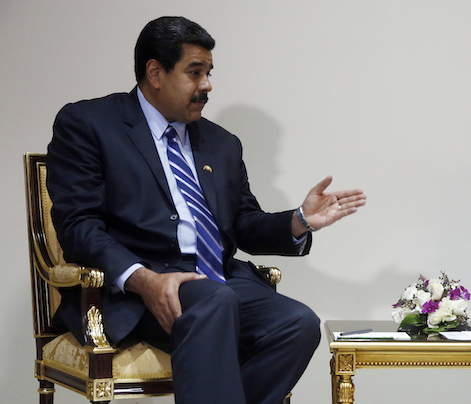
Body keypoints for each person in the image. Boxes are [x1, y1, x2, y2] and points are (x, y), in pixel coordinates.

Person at [46, 16, 366, 404]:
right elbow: (78, 226)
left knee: (297, 323)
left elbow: (243, 223)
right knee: (216, 300)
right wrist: (144, 280)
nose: (207, 85)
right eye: (195, 73)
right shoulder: (91, 124)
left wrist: (300, 220)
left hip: (218, 283)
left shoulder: (221, 143)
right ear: (155, 73)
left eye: (209, 73)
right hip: (139, 291)